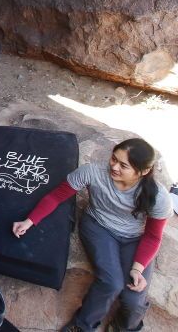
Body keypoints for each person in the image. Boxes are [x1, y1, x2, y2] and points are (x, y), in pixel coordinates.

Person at [12, 138, 173, 332]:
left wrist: (137, 269)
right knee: (111, 283)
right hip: (99, 227)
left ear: (143, 171)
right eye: (113, 158)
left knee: (134, 297)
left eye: (123, 165)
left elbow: (153, 236)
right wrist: (30, 221)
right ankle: (82, 325)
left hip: (135, 238)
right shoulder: (92, 172)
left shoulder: (158, 196)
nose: (114, 166)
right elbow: (57, 195)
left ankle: (125, 326)